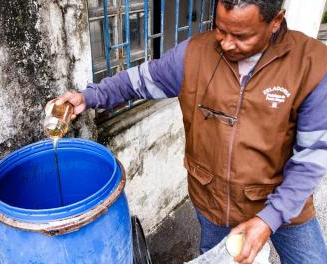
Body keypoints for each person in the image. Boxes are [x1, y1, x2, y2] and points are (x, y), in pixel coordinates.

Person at [54, 0, 327, 263]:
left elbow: (311, 158)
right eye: (221, 29)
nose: (226, 43)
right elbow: (139, 81)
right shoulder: (194, 54)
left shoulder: (312, 65)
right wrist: (88, 97)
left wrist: (270, 219)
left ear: (276, 21)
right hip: (213, 201)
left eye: (241, 36)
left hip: (283, 199)